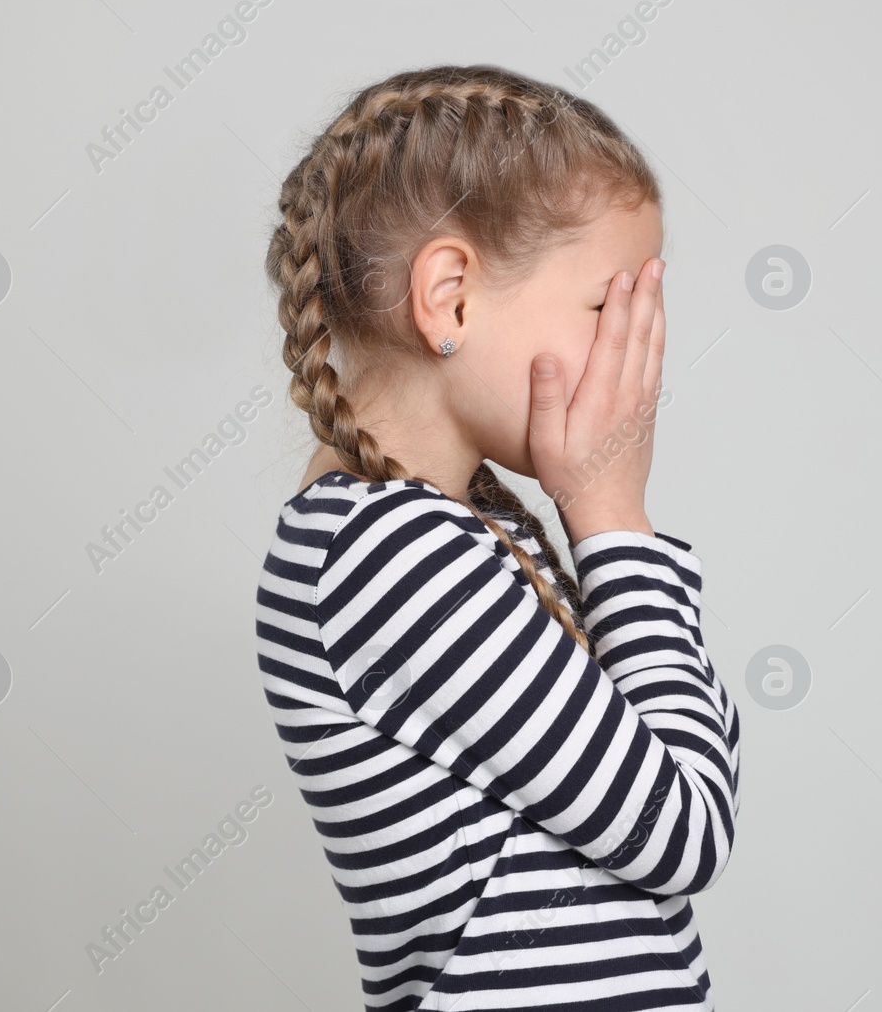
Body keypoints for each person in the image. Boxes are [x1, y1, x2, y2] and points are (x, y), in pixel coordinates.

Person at [254, 63, 741, 1011]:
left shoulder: (445, 532)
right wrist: (613, 517)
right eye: (608, 306)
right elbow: (684, 830)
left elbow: (688, 752)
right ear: (452, 298)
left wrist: (606, 529)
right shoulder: (391, 554)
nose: (637, 354)